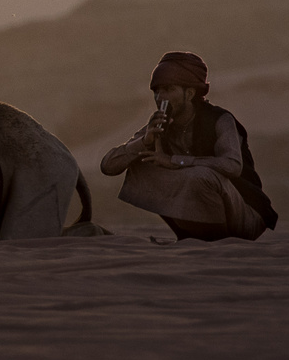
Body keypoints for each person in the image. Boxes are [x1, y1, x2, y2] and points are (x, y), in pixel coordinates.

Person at [101, 51, 277, 241]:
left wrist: (174, 161)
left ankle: (216, 241)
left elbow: (232, 166)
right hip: (202, 213)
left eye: (168, 89)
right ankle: (188, 237)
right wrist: (145, 141)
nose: (160, 97)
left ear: (190, 93)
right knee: (142, 164)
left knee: (200, 175)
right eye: (156, 91)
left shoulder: (220, 120)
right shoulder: (160, 124)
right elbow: (108, 166)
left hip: (246, 214)